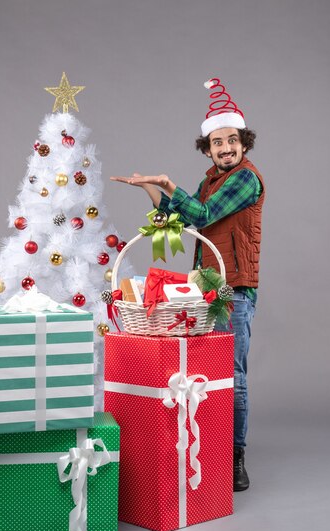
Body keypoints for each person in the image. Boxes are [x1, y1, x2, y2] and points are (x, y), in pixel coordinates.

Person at [111, 78, 265, 491]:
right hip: (206, 287)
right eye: (217, 142)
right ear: (208, 147)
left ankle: (234, 456)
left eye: (232, 140)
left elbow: (202, 214)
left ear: (244, 143)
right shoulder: (210, 179)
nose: (226, 148)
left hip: (234, 291)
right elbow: (182, 218)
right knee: (203, 374)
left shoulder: (246, 180)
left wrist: (168, 184)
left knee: (232, 375)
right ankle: (208, 449)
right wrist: (150, 188)